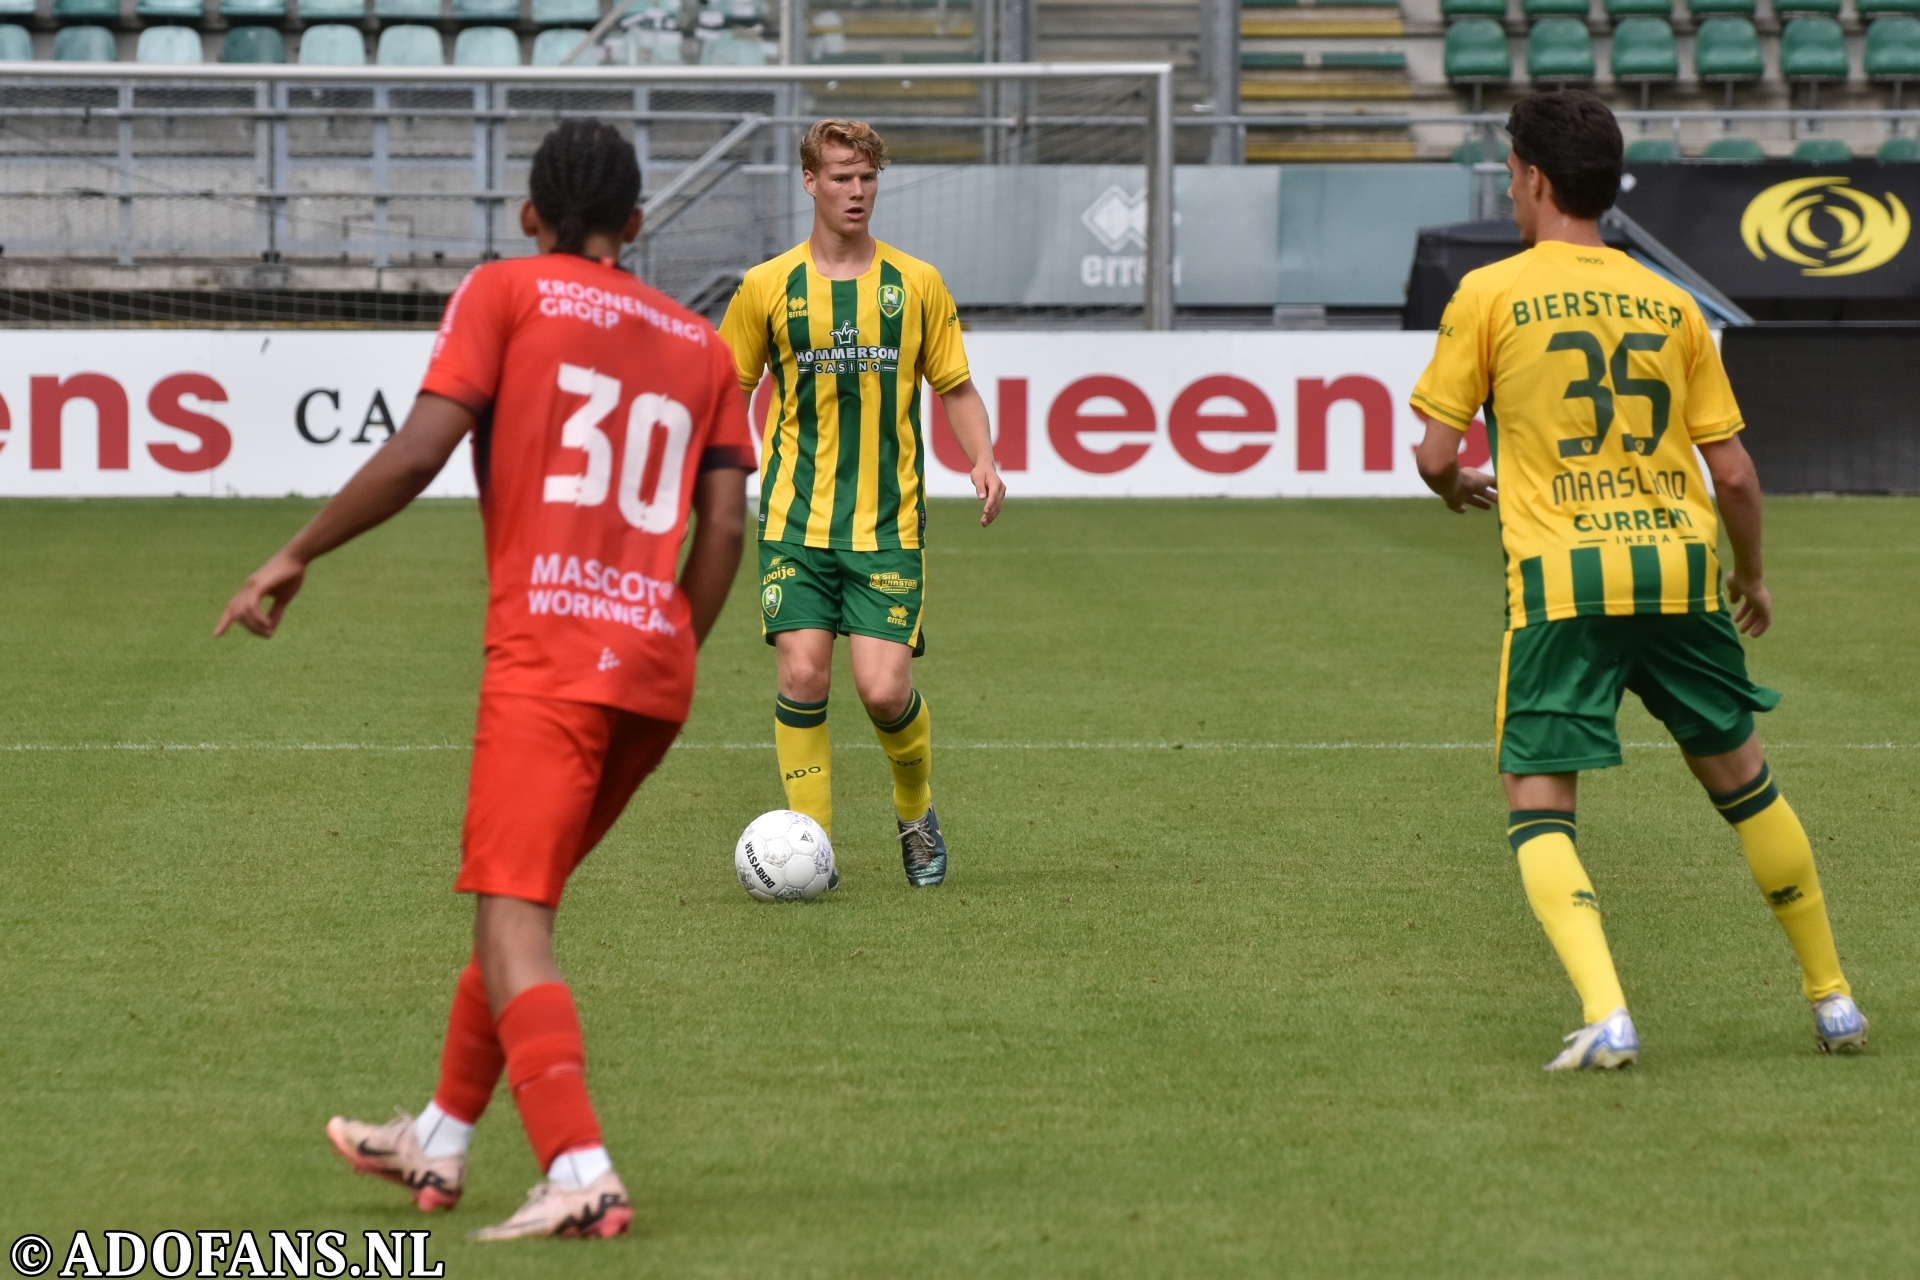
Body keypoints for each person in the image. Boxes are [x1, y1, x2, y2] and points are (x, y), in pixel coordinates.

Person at [216, 119, 754, 1236]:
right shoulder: (702, 345)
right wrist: (674, 637)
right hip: (651, 668)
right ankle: (439, 1138)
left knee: (515, 920)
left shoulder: (506, 291)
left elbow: (420, 449)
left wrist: (297, 549)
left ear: (528, 214)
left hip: (546, 659)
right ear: (638, 224)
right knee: (519, 905)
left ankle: (580, 1164)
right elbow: (723, 524)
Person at [1408, 91, 1867, 1071]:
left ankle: (1610, 1009)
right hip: (1679, 571)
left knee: (1538, 800)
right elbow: (1735, 472)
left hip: (1564, 581)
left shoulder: (1490, 294)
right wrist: (1753, 576)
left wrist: (1456, 487)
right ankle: (1831, 996)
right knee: (1745, 780)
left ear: (1531, 178)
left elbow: (1435, 452)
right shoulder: (1671, 301)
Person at [717, 118, 1005, 888]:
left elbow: (956, 387)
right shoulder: (766, 286)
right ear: (808, 182)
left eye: (866, 177)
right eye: (840, 176)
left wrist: (982, 455)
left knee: (883, 690)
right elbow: (725, 391)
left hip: (886, 526)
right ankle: (816, 847)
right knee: (803, 676)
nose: (855, 190)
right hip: (793, 522)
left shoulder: (915, 283)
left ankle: (916, 812)